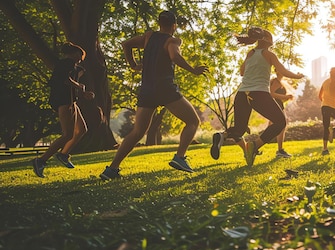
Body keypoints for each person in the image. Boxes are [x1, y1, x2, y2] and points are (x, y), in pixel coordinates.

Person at [100, 11, 208, 180]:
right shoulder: (173, 40)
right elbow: (175, 56)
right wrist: (193, 70)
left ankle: (111, 169)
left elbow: (126, 44)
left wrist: (133, 65)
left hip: (147, 90)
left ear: (159, 23)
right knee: (193, 121)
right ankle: (179, 157)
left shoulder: (149, 37)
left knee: (137, 131)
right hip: (165, 88)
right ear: (174, 26)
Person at [210, 27, 304, 167]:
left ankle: (222, 136)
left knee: (240, 129)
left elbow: (242, 72)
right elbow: (282, 70)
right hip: (258, 93)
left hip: (242, 94)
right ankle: (254, 146)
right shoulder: (268, 54)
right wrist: (297, 76)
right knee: (280, 122)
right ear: (267, 41)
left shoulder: (251, 53)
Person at [32, 42, 95, 177]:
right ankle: (41, 160)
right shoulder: (66, 63)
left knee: (82, 129)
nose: (80, 59)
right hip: (63, 101)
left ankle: (63, 154)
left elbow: (68, 82)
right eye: (80, 55)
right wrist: (79, 86)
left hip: (71, 101)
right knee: (68, 134)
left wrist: (83, 93)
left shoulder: (71, 66)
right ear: (73, 53)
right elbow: (64, 80)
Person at [269, 72, 294, 158]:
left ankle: (256, 145)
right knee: (282, 126)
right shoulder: (276, 81)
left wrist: (286, 97)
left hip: (278, 105)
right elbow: (271, 94)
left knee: (276, 127)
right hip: (275, 106)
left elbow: (277, 96)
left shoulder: (280, 82)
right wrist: (285, 97)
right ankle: (280, 150)